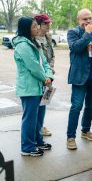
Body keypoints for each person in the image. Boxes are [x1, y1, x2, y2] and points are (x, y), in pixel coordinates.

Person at [13, 16, 53, 157]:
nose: (37, 28)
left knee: (39, 117)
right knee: (30, 118)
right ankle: (27, 147)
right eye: (34, 26)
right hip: (30, 88)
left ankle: (37, 141)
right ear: (27, 29)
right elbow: (33, 67)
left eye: (37, 25)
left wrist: (49, 77)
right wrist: (45, 78)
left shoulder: (34, 42)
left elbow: (45, 63)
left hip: (41, 86)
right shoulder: (23, 45)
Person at [66, 9, 92, 150]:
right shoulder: (73, 33)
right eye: (85, 19)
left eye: (90, 18)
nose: (88, 21)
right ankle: (70, 137)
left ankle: (86, 130)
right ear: (78, 20)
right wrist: (87, 34)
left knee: (90, 106)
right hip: (79, 77)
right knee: (76, 106)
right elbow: (76, 48)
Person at [34, 14, 55, 137]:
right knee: (35, 103)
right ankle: (35, 127)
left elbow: (52, 55)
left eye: (49, 23)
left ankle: (41, 126)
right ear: (38, 25)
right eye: (45, 23)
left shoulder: (48, 36)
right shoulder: (32, 38)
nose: (48, 25)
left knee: (44, 102)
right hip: (38, 76)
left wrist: (51, 69)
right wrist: (44, 74)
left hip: (49, 76)